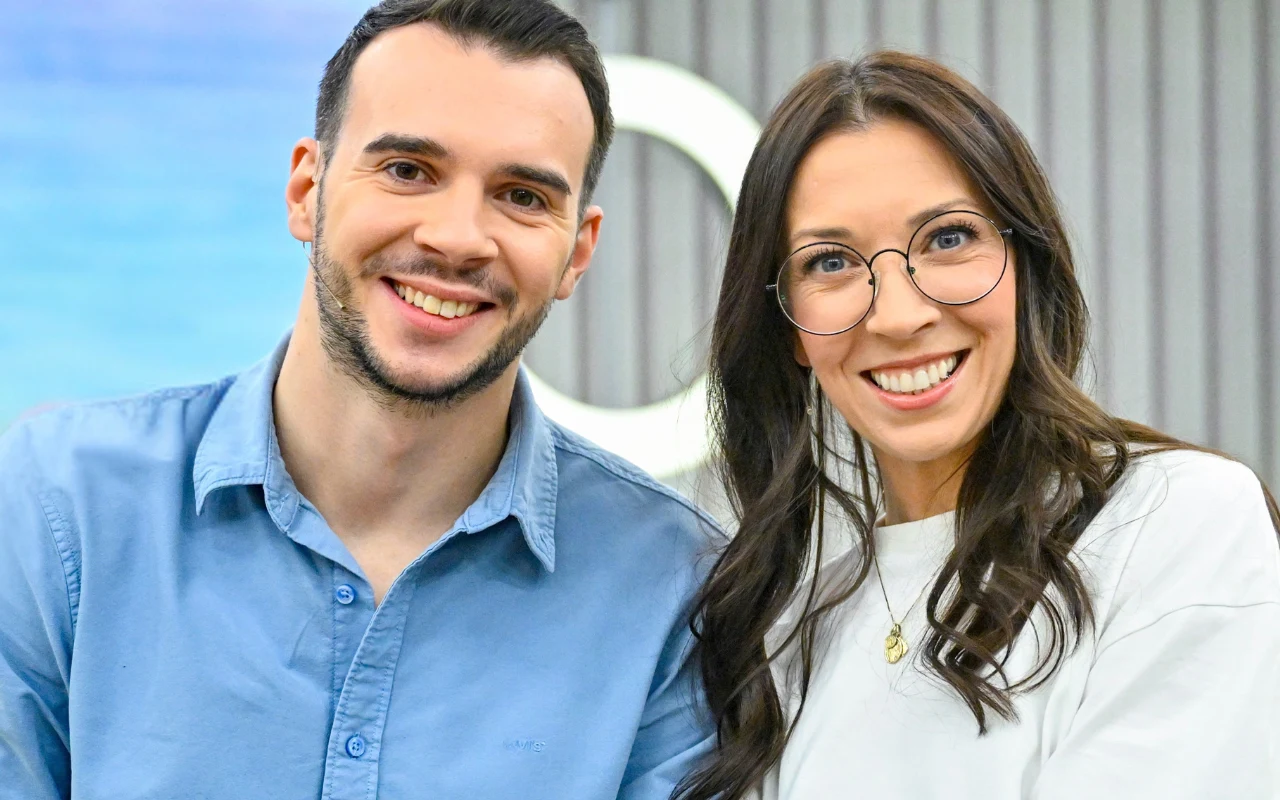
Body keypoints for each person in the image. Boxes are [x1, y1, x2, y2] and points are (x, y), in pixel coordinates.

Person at [0, 2, 717, 797]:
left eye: (521, 195)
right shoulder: (61, 508)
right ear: (306, 189)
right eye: (408, 170)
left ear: (577, 251)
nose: (457, 237)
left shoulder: (672, 587)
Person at [675, 51, 1280, 800]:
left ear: (1025, 263)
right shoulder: (796, 631)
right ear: (790, 326)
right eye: (830, 262)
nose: (899, 316)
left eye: (947, 238)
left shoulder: (1175, 522)